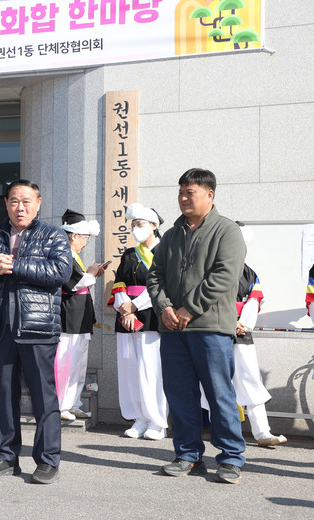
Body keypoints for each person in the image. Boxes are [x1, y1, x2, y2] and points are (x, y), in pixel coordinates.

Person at [147, 168, 247, 484]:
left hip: (211, 328)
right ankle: (189, 456)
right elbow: (154, 275)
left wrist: (188, 308)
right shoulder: (171, 235)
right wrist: (164, 308)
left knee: (219, 395)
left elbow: (224, 276)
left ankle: (231, 459)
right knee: (179, 396)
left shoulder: (227, 231)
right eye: (181, 193)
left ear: (209, 194)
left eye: (190, 192)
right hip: (173, 330)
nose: (183, 198)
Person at [0, 180, 72, 484]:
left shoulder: (53, 235)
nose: (20, 207)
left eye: (27, 201)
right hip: (0, 329)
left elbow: (61, 272)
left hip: (38, 329)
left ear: (38, 203)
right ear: (6, 203)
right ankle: (6, 456)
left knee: (44, 398)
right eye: (14, 201)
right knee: (4, 396)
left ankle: (48, 460)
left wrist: (16, 265)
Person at [200, 223, 286, 447]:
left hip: (241, 333)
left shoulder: (249, 272)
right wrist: (229, 321)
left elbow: (254, 301)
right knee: (216, 381)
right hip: (215, 330)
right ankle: (219, 430)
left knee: (250, 379)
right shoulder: (208, 268)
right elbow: (204, 298)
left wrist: (242, 325)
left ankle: (262, 432)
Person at [108, 203, 168, 440]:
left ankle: (157, 422)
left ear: (154, 225)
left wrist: (135, 306)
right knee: (130, 370)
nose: (135, 229)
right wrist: (125, 310)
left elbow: (163, 285)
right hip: (127, 318)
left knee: (152, 370)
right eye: (133, 225)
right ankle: (139, 418)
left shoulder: (165, 251)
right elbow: (119, 283)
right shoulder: (129, 254)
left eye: (140, 224)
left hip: (152, 317)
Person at [56, 209, 104, 422]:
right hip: (68, 317)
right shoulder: (63, 254)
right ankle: (61, 405)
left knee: (78, 364)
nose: (85, 242)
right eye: (84, 237)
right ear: (74, 235)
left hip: (81, 316)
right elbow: (72, 284)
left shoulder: (74, 256)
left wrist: (92, 274)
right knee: (65, 363)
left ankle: (73, 403)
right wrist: (91, 274)